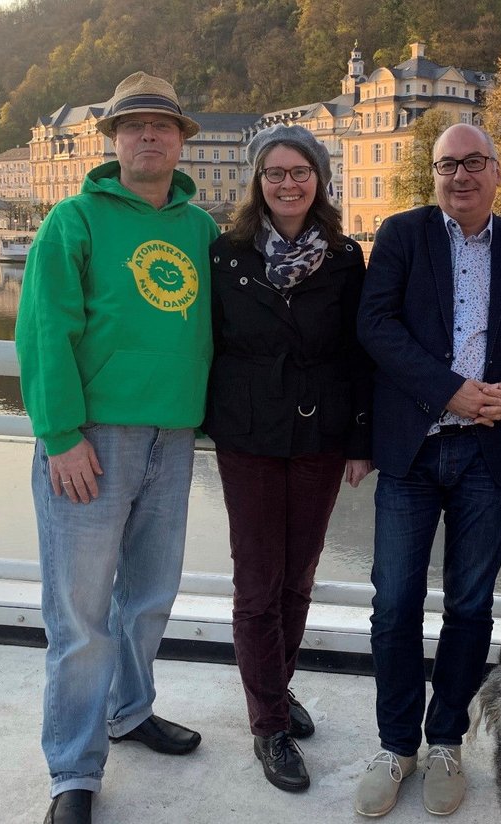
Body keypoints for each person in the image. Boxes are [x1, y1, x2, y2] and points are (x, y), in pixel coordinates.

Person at [15, 72, 218, 824]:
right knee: (80, 618)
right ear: (113, 140)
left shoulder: (198, 230)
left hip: (174, 439)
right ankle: (73, 771)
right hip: (91, 445)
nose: (149, 136)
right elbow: (43, 332)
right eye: (133, 126)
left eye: (162, 126)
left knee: (150, 600)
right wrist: (60, 435)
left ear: (180, 140)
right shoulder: (74, 220)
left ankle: (130, 712)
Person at [354, 123, 501, 818]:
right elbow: (376, 328)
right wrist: (449, 387)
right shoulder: (403, 235)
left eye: (473, 163)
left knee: (470, 608)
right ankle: (395, 745)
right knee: (395, 604)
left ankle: (445, 742)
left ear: (498, 173)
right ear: (434, 175)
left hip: (486, 453)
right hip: (413, 448)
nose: (460, 175)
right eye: (447, 165)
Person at [202, 124, 373, 792]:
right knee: (257, 580)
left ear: (319, 179)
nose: (288, 183)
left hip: (320, 434)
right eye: (274, 173)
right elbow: (207, 342)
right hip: (247, 433)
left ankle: (277, 687)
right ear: (258, 182)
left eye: (300, 171)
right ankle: (268, 724)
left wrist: (360, 439)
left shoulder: (344, 257)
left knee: (298, 575)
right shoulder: (227, 255)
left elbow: (358, 356)